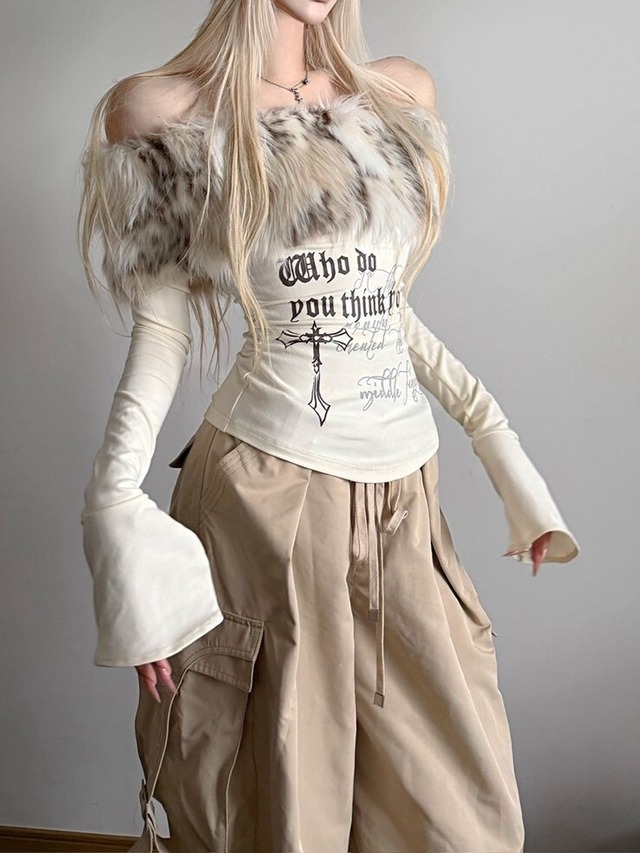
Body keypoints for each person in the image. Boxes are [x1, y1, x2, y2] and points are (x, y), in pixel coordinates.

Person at [78, 1, 579, 851]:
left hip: (405, 496)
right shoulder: (163, 111)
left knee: (457, 815)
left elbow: (380, 310)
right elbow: (163, 328)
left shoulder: (397, 95)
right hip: (266, 493)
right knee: (283, 803)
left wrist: (499, 446)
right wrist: (115, 508)